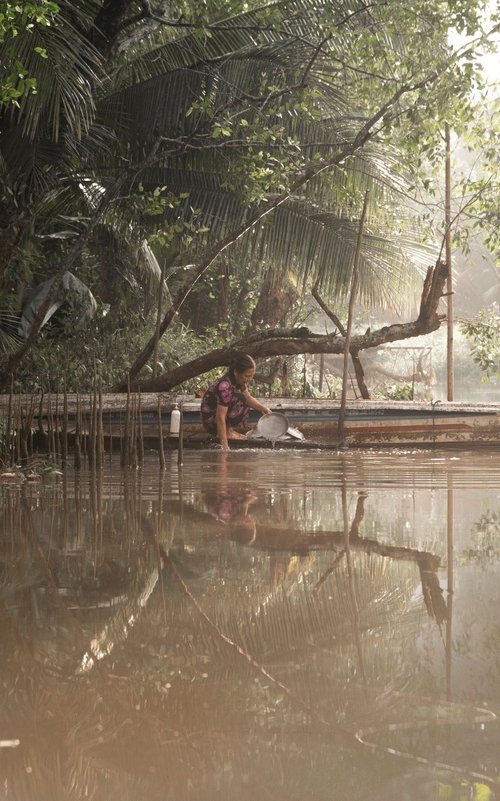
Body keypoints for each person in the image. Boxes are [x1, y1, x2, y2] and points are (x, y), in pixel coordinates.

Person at [200, 353, 271, 450]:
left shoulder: (238, 381)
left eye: (251, 376)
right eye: (247, 376)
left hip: (220, 417)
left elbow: (248, 397)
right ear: (236, 372)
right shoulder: (224, 386)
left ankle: (229, 431)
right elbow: (220, 417)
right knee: (240, 399)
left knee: (244, 398)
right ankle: (226, 433)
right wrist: (225, 446)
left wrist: (264, 409)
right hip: (211, 420)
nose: (249, 379)